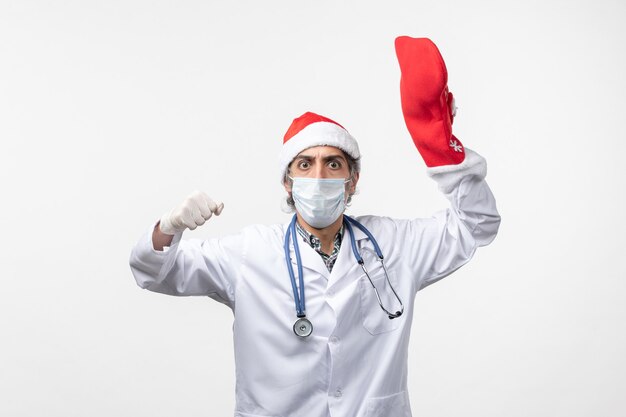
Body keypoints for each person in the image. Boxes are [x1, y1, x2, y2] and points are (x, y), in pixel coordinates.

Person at [129, 36, 500, 417]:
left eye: (333, 164)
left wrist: (440, 146)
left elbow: (477, 224)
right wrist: (170, 227)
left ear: (352, 181)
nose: (319, 175)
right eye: (305, 165)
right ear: (288, 182)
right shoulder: (249, 253)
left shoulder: (394, 244)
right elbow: (156, 274)